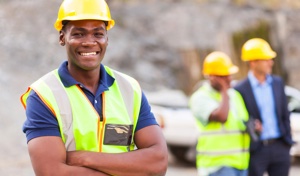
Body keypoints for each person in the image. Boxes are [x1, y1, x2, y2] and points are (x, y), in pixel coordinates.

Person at [20, 0, 168, 175]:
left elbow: (158, 163)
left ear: (107, 38)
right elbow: (51, 172)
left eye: (97, 34)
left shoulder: (130, 88)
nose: (89, 42)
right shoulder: (43, 95)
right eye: (78, 34)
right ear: (62, 38)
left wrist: (83, 157)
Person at [234, 38, 294, 176]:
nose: (271, 62)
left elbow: (285, 113)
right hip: (257, 149)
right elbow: (240, 118)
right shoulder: (240, 89)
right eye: (266, 59)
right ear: (253, 62)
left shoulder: (278, 83)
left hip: (280, 146)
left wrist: (287, 141)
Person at [189, 51, 250, 176]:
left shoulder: (235, 95)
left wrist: (254, 127)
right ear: (212, 77)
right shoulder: (200, 97)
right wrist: (223, 90)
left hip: (240, 164)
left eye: (230, 75)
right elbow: (222, 116)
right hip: (217, 166)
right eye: (224, 76)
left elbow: (243, 122)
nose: (229, 79)